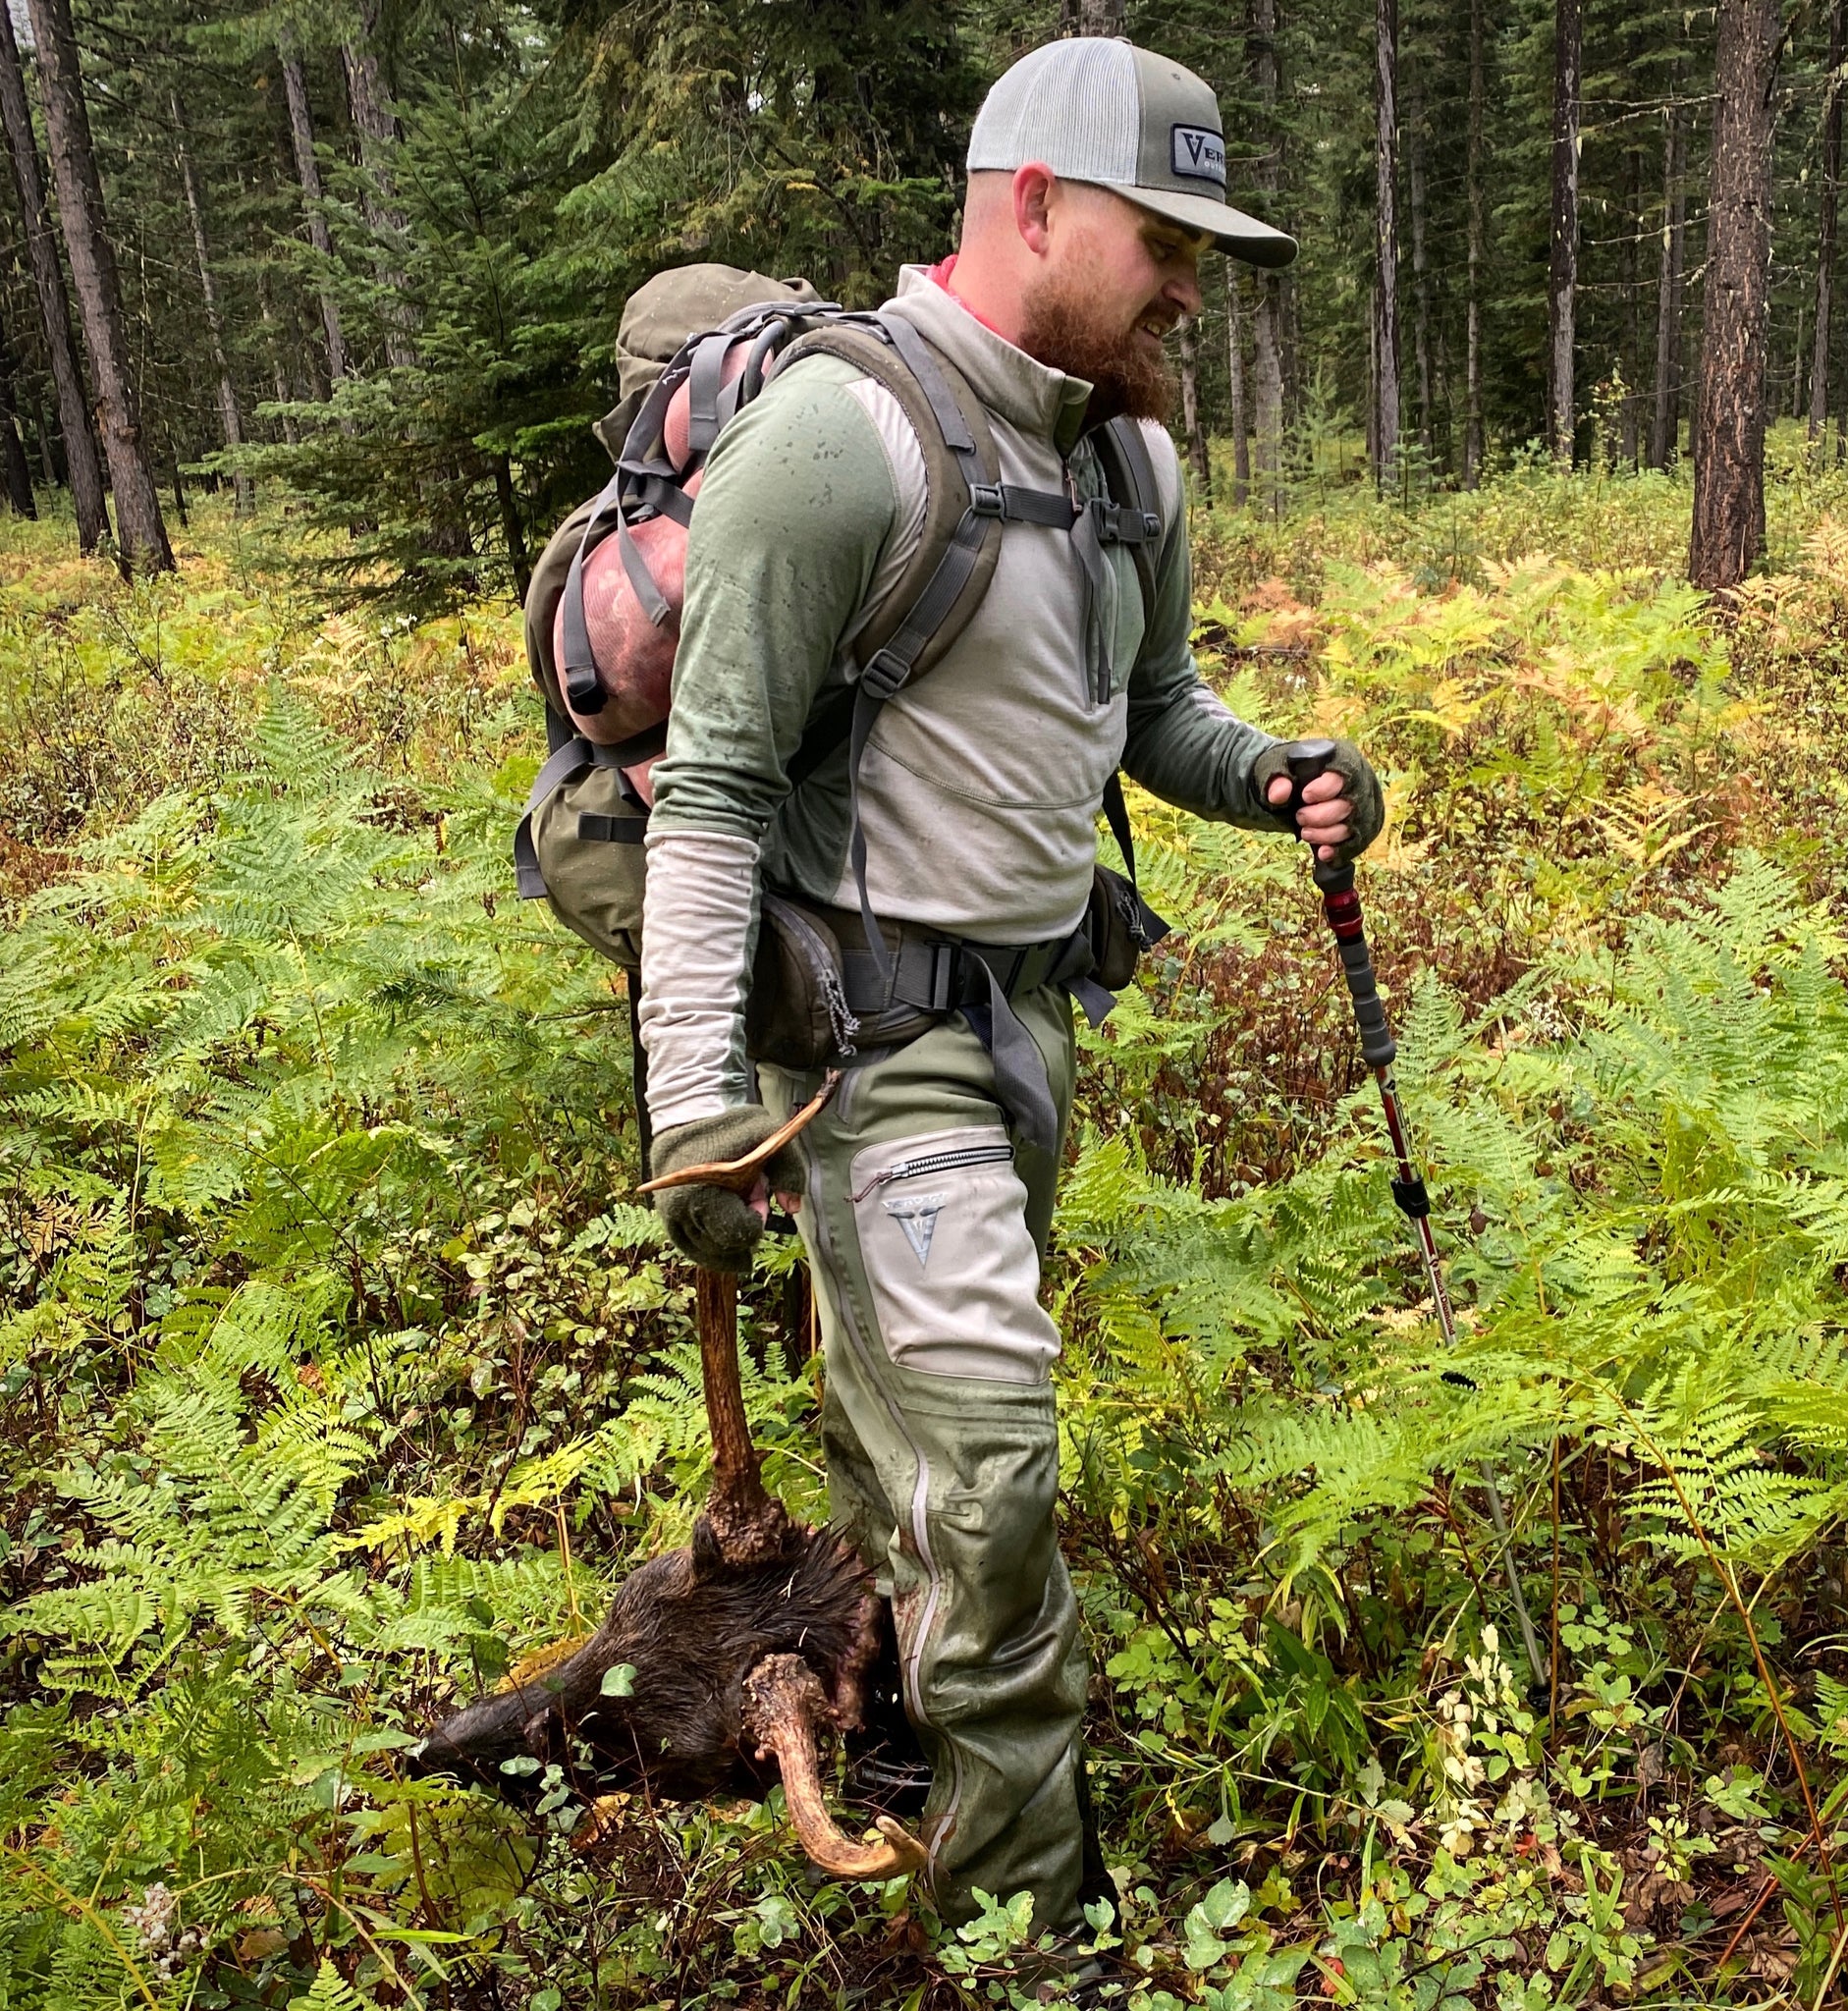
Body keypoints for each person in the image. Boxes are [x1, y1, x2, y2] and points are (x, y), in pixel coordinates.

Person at [638, 34, 1383, 1947]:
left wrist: (1266, 769)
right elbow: (711, 795)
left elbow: (1153, 716)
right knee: (991, 1490)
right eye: (1164, 235)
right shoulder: (834, 442)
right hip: (876, 1062)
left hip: (1031, 1036)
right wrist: (691, 1105)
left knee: (931, 1458)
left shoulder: (1126, 456)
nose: (1190, 283)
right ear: (1031, 204)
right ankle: (1039, 1948)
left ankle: (884, 1686)